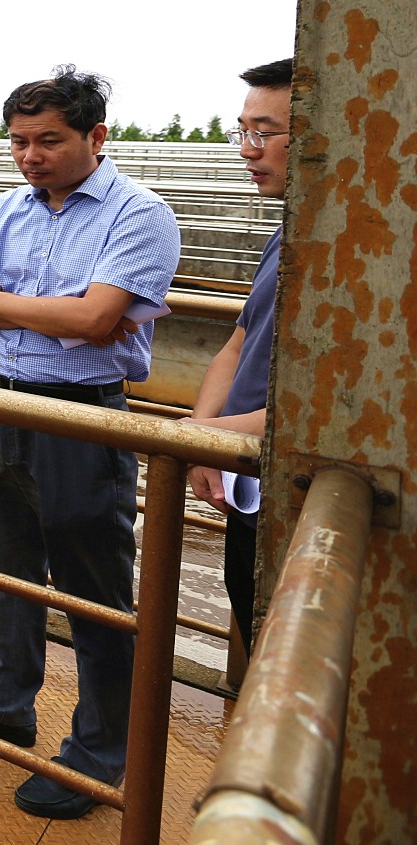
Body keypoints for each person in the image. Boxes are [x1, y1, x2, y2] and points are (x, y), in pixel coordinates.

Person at [0, 66, 181, 821]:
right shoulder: (10, 205)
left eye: (48, 140)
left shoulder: (139, 213)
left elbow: (96, 319)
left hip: (83, 418)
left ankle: (100, 755)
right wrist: (42, 310)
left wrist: (7, 305)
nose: (30, 156)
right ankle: (0, 703)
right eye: (19, 141)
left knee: (94, 588)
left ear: (95, 136)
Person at [186, 58, 293, 651]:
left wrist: (204, 437)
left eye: (265, 133)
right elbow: (237, 343)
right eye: (243, 131)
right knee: (252, 621)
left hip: (297, 493)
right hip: (252, 479)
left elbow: (323, 410)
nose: (248, 150)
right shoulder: (289, 231)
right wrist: (205, 434)